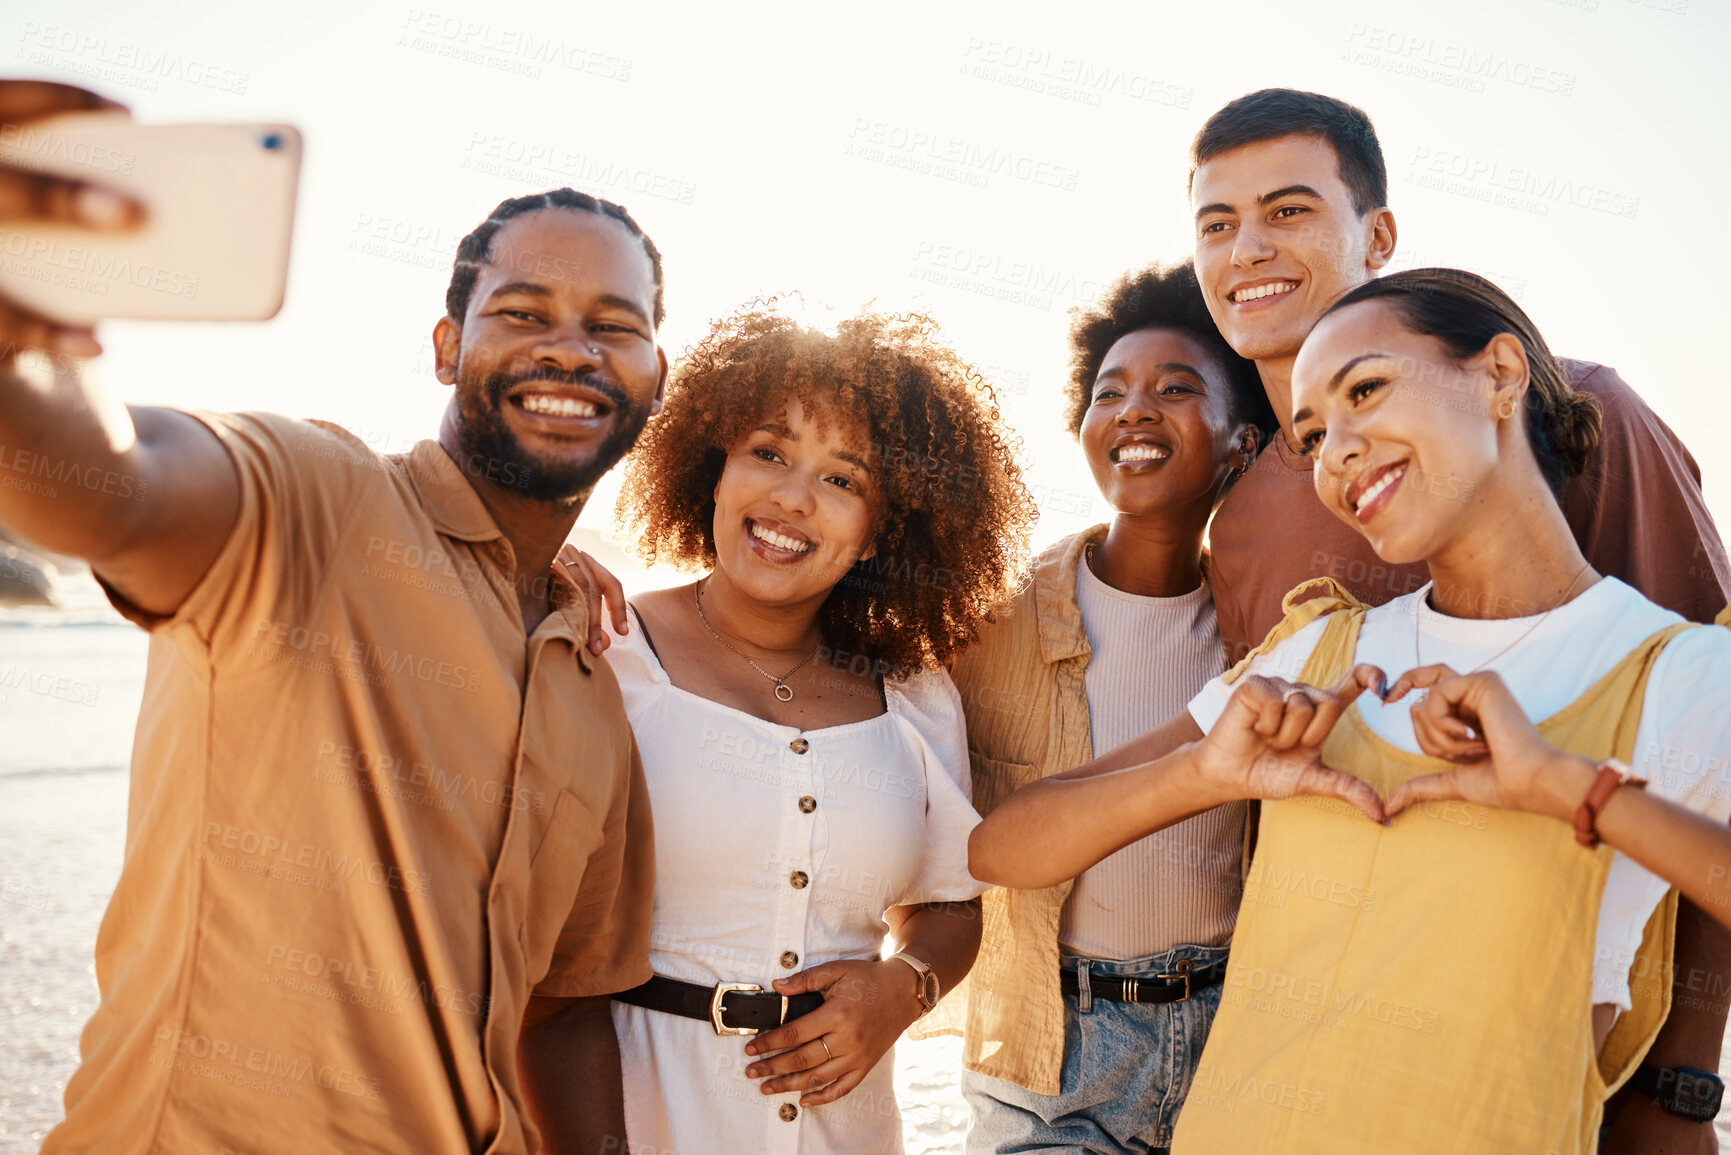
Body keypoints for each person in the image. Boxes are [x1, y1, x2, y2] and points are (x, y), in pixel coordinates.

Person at [1, 81, 660, 1155]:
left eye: (614, 328)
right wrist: (17, 357)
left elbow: (568, 1005)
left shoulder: (595, 681)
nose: (573, 351)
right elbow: (107, 485)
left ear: (654, 376)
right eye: (523, 313)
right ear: (447, 348)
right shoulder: (314, 502)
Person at [971, 268, 1731, 1153]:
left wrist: (1570, 789)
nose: (1338, 453)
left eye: (1365, 389)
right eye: (1313, 433)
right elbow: (1003, 846)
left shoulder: (1679, 674)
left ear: (1500, 373)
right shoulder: (1318, 650)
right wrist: (1202, 771)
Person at [1185, 89, 1731, 1150]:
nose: (1248, 248)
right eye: (1217, 223)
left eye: (1290, 210)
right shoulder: (1239, 521)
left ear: (1376, 235)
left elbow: (1703, 745)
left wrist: (1681, 1086)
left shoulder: (1587, 413)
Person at [598, 304, 1037, 1153]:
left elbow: (949, 905)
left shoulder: (911, 693)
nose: (792, 499)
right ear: (712, 470)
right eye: (767, 453)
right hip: (641, 1117)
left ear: (882, 530)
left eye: (843, 479)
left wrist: (900, 989)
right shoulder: (607, 651)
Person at [916, 261, 1269, 1154]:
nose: (1135, 408)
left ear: (1244, 443)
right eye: (1108, 391)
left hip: (1239, 1039)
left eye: (1176, 388)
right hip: (1052, 1057)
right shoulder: (984, 617)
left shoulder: (1269, 632)